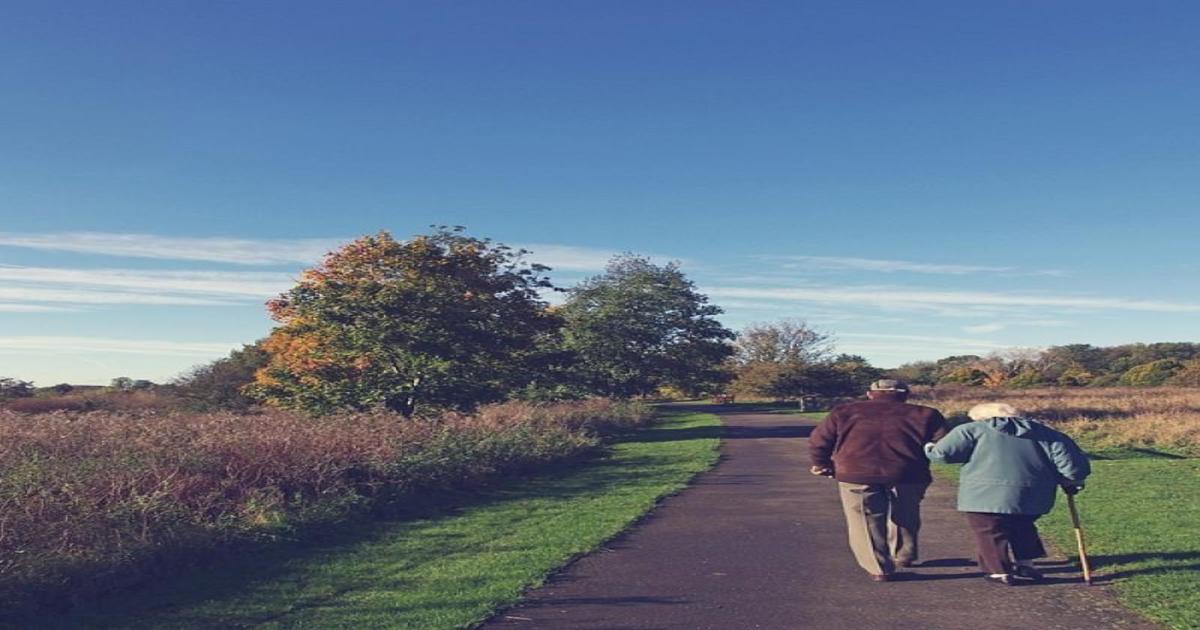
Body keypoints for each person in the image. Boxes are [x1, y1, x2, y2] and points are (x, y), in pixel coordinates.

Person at [925, 402, 1090, 586]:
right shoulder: (1048, 433)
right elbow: (1073, 467)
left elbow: (943, 455)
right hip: (1034, 493)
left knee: (989, 530)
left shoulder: (971, 430)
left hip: (983, 493)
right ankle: (1026, 564)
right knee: (1023, 525)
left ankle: (999, 571)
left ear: (981, 417)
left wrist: (930, 447)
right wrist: (1072, 482)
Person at [808, 379, 949, 581]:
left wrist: (822, 464)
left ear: (870, 394)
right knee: (906, 512)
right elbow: (944, 445)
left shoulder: (844, 411)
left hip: (856, 472)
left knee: (864, 519)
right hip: (909, 472)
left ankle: (878, 567)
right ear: (905, 395)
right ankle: (903, 554)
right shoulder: (926, 414)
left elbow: (818, 441)